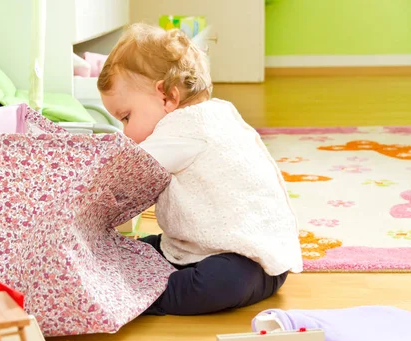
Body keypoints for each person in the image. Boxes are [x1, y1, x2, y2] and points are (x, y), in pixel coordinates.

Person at [97, 23, 303, 316]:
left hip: (247, 261)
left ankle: (144, 293)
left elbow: (120, 176)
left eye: (126, 117)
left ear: (167, 96)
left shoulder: (182, 130)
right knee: (147, 247)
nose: (125, 133)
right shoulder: (217, 114)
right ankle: (146, 272)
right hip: (214, 248)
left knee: (215, 283)